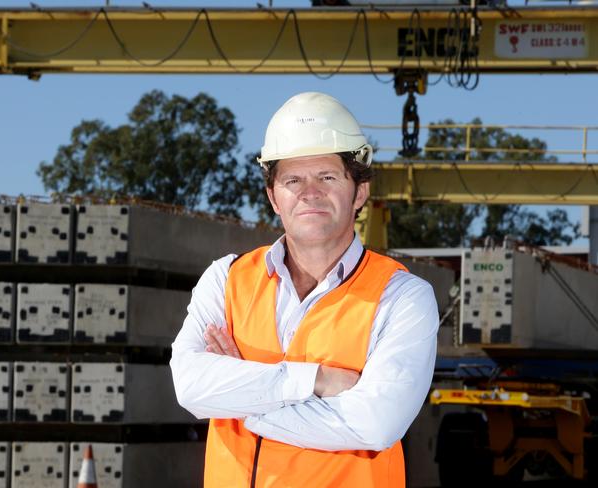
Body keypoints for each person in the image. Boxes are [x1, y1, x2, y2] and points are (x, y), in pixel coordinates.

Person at [171, 92, 438, 488]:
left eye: (327, 177)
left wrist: (240, 402)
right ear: (273, 197)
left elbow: (374, 424)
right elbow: (190, 386)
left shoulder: (401, 297)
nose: (309, 192)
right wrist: (313, 381)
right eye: (293, 180)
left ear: (359, 192)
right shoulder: (226, 279)